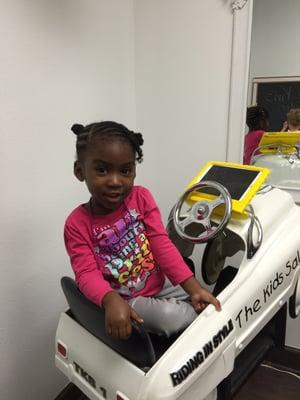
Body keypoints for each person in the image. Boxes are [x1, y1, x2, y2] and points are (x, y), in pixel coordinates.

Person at [64, 121, 221, 339]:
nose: (115, 181)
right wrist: (110, 300)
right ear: (80, 171)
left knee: (204, 295)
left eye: (125, 171)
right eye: (102, 170)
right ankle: (201, 324)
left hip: (157, 281)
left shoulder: (141, 198)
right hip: (125, 297)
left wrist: (193, 288)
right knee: (170, 316)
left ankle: (200, 313)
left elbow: (161, 244)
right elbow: (86, 273)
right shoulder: (76, 224)